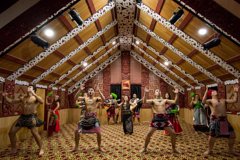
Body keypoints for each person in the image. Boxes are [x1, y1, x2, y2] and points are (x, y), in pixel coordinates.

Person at [2, 85, 44, 156]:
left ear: (34, 89)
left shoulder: (35, 98)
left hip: (31, 117)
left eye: (30, 87)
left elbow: (42, 101)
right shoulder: (23, 98)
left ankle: (41, 148)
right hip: (22, 117)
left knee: (35, 133)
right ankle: (14, 148)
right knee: (11, 132)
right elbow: (11, 101)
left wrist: (33, 93)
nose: (28, 88)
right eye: (28, 87)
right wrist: (5, 96)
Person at [140, 87, 180, 154]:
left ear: (160, 93)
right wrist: (145, 93)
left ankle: (174, 149)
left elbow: (174, 101)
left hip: (164, 119)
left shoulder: (165, 100)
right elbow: (144, 101)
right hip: (156, 119)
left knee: (173, 133)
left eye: (159, 91)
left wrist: (177, 94)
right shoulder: (153, 100)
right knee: (148, 134)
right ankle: (144, 148)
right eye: (156, 91)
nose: (158, 91)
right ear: (155, 93)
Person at [202, 85, 239, 156]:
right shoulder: (210, 101)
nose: (215, 91)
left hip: (224, 120)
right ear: (211, 94)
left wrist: (236, 92)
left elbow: (234, 100)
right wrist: (206, 91)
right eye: (213, 91)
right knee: (212, 136)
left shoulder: (223, 100)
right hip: (215, 120)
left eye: (216, 91)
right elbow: (203, 101)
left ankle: (231, 150)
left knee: (232, 135)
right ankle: (209, 150)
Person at [73, 84, 103, 152]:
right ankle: (76, 147)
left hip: (94, 119)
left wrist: (99, 91)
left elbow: (104, 99)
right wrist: (79, 90)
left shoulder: (96, 99)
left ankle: (99, 147)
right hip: (85, 118)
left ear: (94, 92)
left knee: (99, 132)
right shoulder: (85, 98)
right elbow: (75, 98)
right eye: (89, 90)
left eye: (92, 90)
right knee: (76, 131)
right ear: (87, 92)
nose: (90, 91)